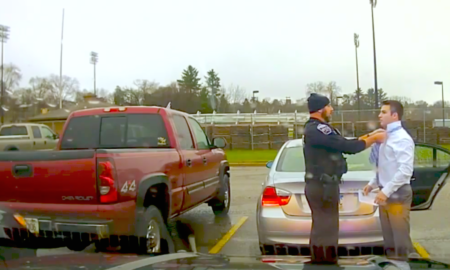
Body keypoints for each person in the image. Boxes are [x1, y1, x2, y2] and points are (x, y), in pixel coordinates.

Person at [303, 93, 385, 264]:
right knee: (326, 228)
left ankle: (323, 260)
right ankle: (324, 264)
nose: (331, 109)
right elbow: (348, 147)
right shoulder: (318, 129)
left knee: (325, 228)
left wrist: (369, 135)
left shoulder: (317, 129)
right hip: (323, 185)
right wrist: (375, 139)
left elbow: (342, 142)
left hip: (324, 184)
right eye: (329, 106)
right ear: (321, 109)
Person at [363, 100, 415, 269]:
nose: (379, 115)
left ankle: (403, 266)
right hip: (385, 192)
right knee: (388, 238)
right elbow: (385, 164)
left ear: (395, 115)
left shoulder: (402, 139)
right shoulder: (385, 136)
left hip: (397, 194)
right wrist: (372, 184)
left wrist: (385, 191)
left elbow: (405, 171)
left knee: (399, 238)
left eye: (384, 112)